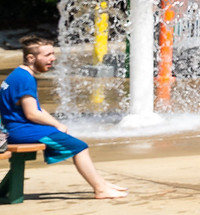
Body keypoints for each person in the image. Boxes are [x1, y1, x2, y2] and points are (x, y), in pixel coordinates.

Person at [2, 37, 126, 199]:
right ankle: (100, 189)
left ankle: (101, 183)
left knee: (72, 142)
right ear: (31, 58)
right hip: (22, 131)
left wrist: (56, 125)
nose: (52, 58)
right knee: (80, 147)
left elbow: (37, 108)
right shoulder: (25, 79)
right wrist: (56, 124)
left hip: (17, 128)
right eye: (47, 55)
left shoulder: (17, 75)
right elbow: (32, 113)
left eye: (52, 54)